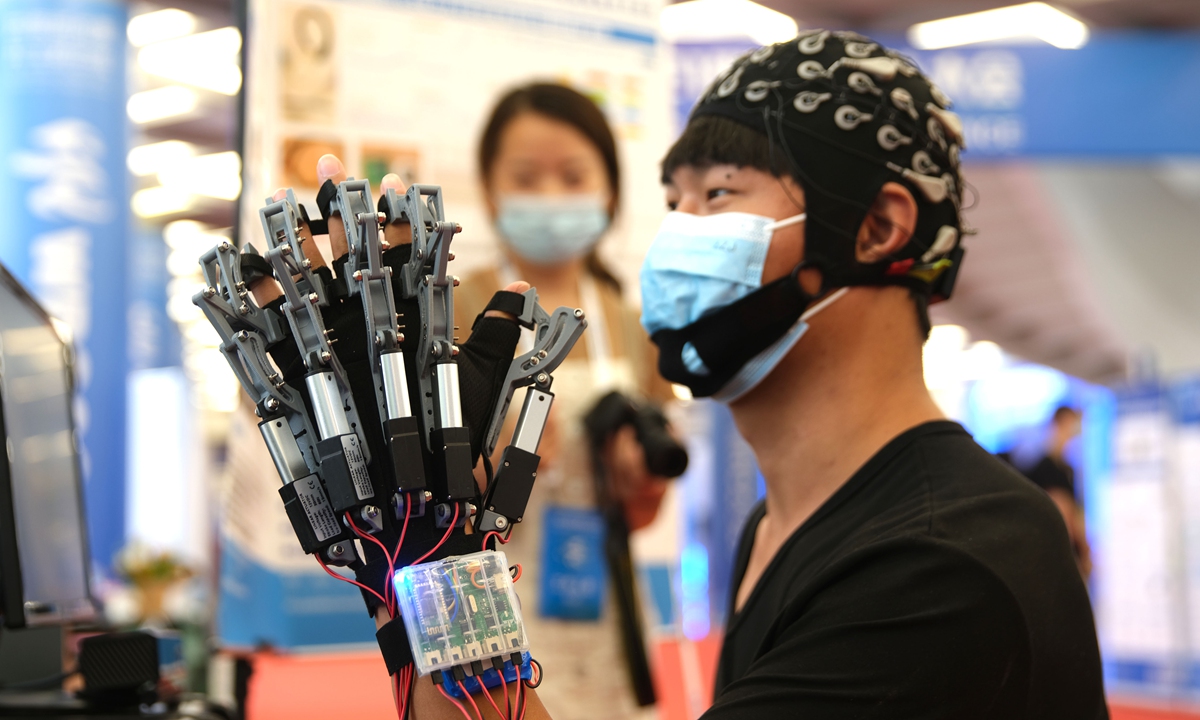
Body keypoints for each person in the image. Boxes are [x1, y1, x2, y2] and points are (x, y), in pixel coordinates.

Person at [403, 31, 1107, 718]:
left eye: (718, 194)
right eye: (674, 202)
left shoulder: (944, 561)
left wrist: (435, 567)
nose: (678, 233)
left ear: (876, 228)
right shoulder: (776, 528)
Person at [452, 82, 675, 720]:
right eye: (527, 176)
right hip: (491, 599)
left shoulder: (631, 324)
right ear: (492, 190)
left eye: (572, 175)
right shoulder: (459, 309)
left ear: (607, 190)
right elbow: (424, 498)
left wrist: (638, 478)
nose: (551, 195)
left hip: (608, 605)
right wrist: (493, 463)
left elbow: (643, 514)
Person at [1025, 405, 1092, 578]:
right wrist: (1084, 550)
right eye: (1071, 424)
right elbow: (1066, 510)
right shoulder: (1043, 468)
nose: (1074, 432)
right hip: (1058, 554)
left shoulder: (1067, 469)